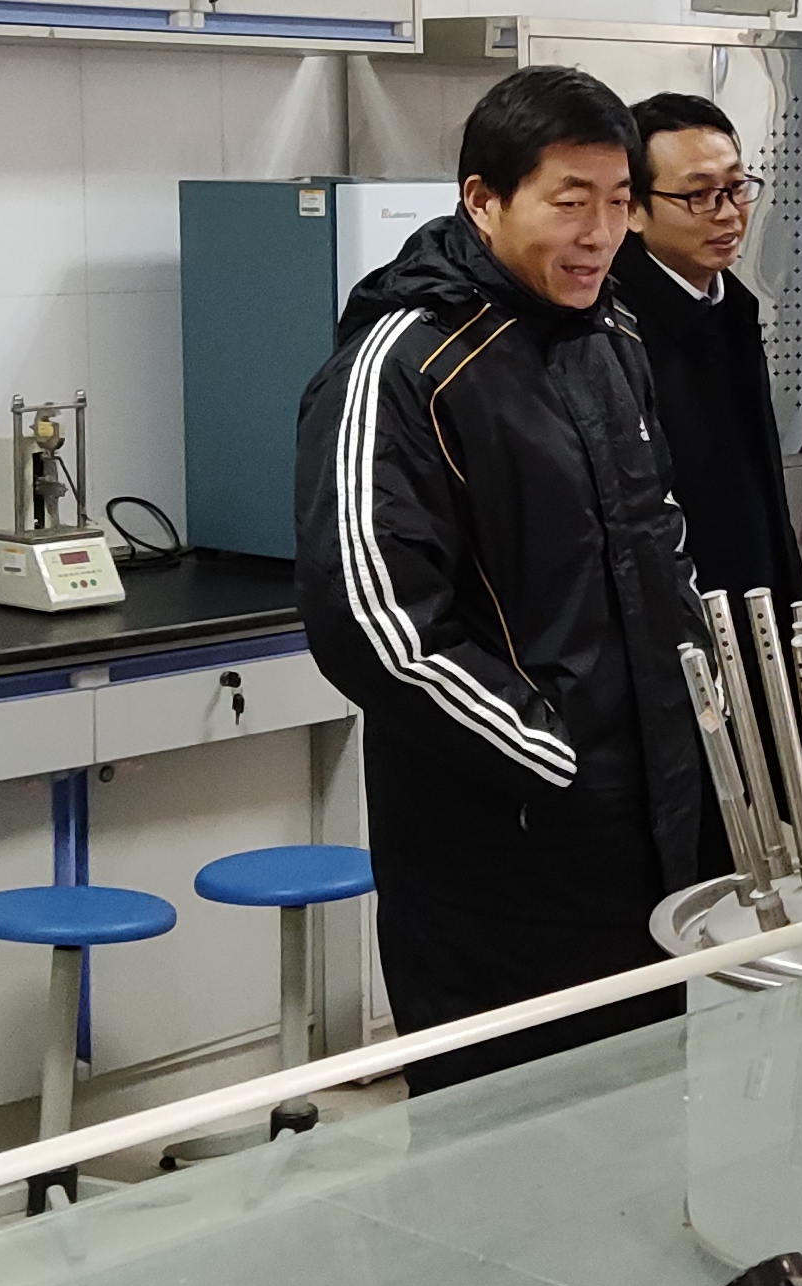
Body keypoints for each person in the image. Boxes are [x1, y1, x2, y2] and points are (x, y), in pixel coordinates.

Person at [295, 67, 709, 1092]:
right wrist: (550, 760)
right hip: (500, 857)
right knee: (503, 1146)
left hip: (647, 833)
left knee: (647, 1120)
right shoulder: (404, 365)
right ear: (482, 200)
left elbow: (658, 542)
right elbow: (375, 622)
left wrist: (698, 723)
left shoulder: (610, 333)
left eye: (619, 203)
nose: (600, 234)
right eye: (570, 202)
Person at [611, 93, 802, 865]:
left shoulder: (732, 306)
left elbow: (760, 492)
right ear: (635, 209)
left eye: (736, 188)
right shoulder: (616, 328)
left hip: (754, 620)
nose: (727, 213)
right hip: (678, 651)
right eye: (698, 195)